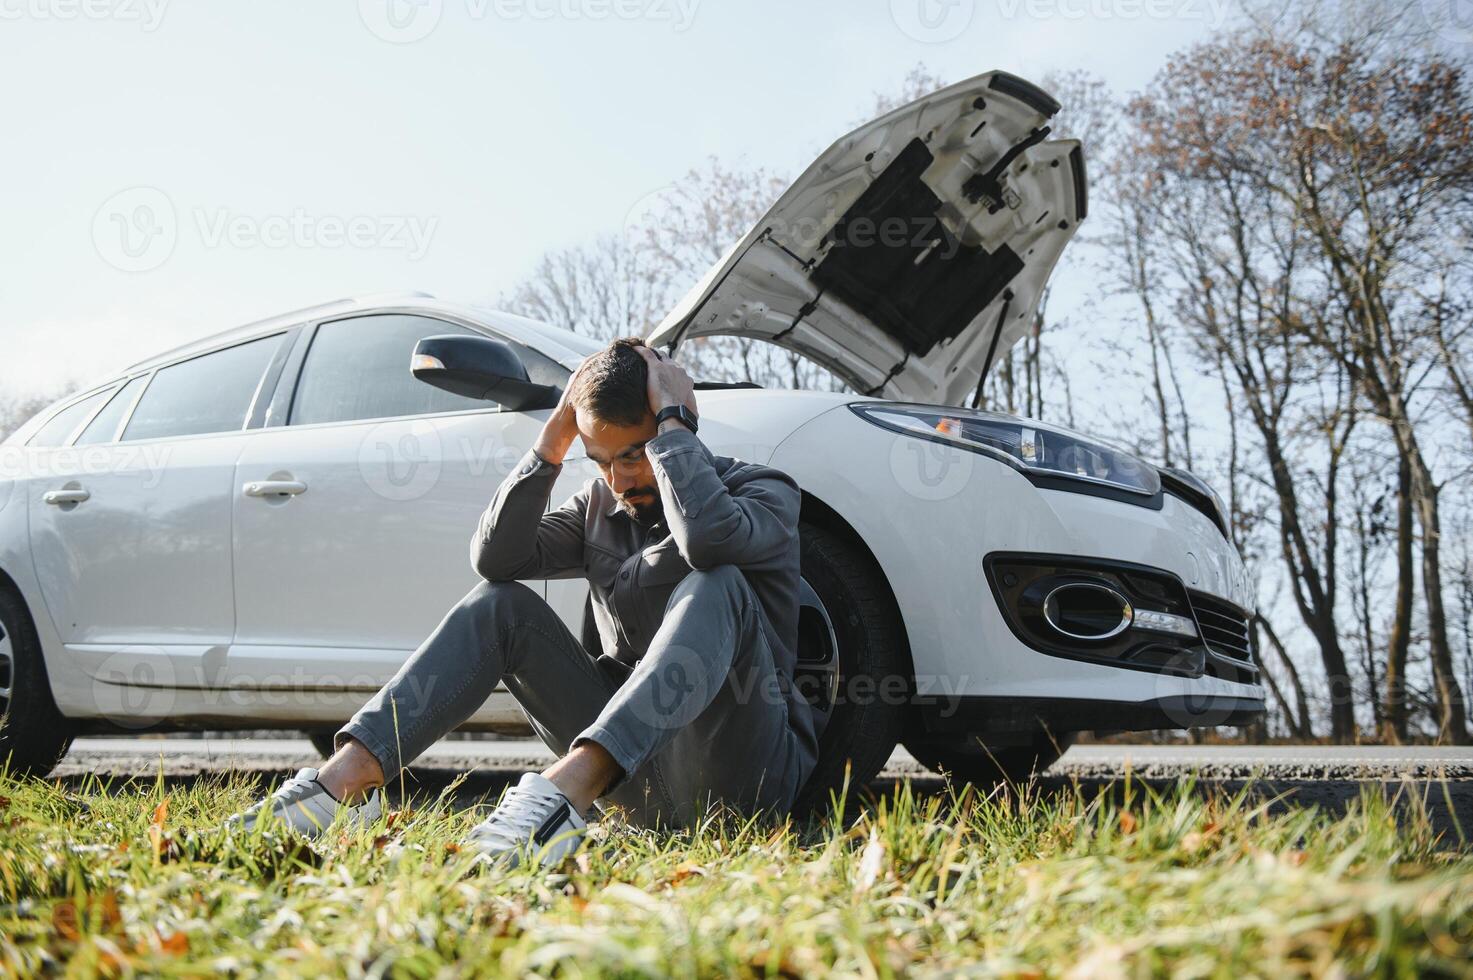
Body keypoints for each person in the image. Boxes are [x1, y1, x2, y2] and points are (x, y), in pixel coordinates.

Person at [229, 338, 819, 866]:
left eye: (634, 454)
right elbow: (497, 560)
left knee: (715, 582)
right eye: (601, 460)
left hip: (742, 779)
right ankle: (340, 787)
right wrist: (552, 441)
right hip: (636, 783)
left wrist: (670, 428)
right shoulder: (599, 510)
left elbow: (708, 538)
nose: (618, 480)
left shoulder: (763, 493)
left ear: (679, 427)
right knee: (501, 605)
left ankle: (563, 797)